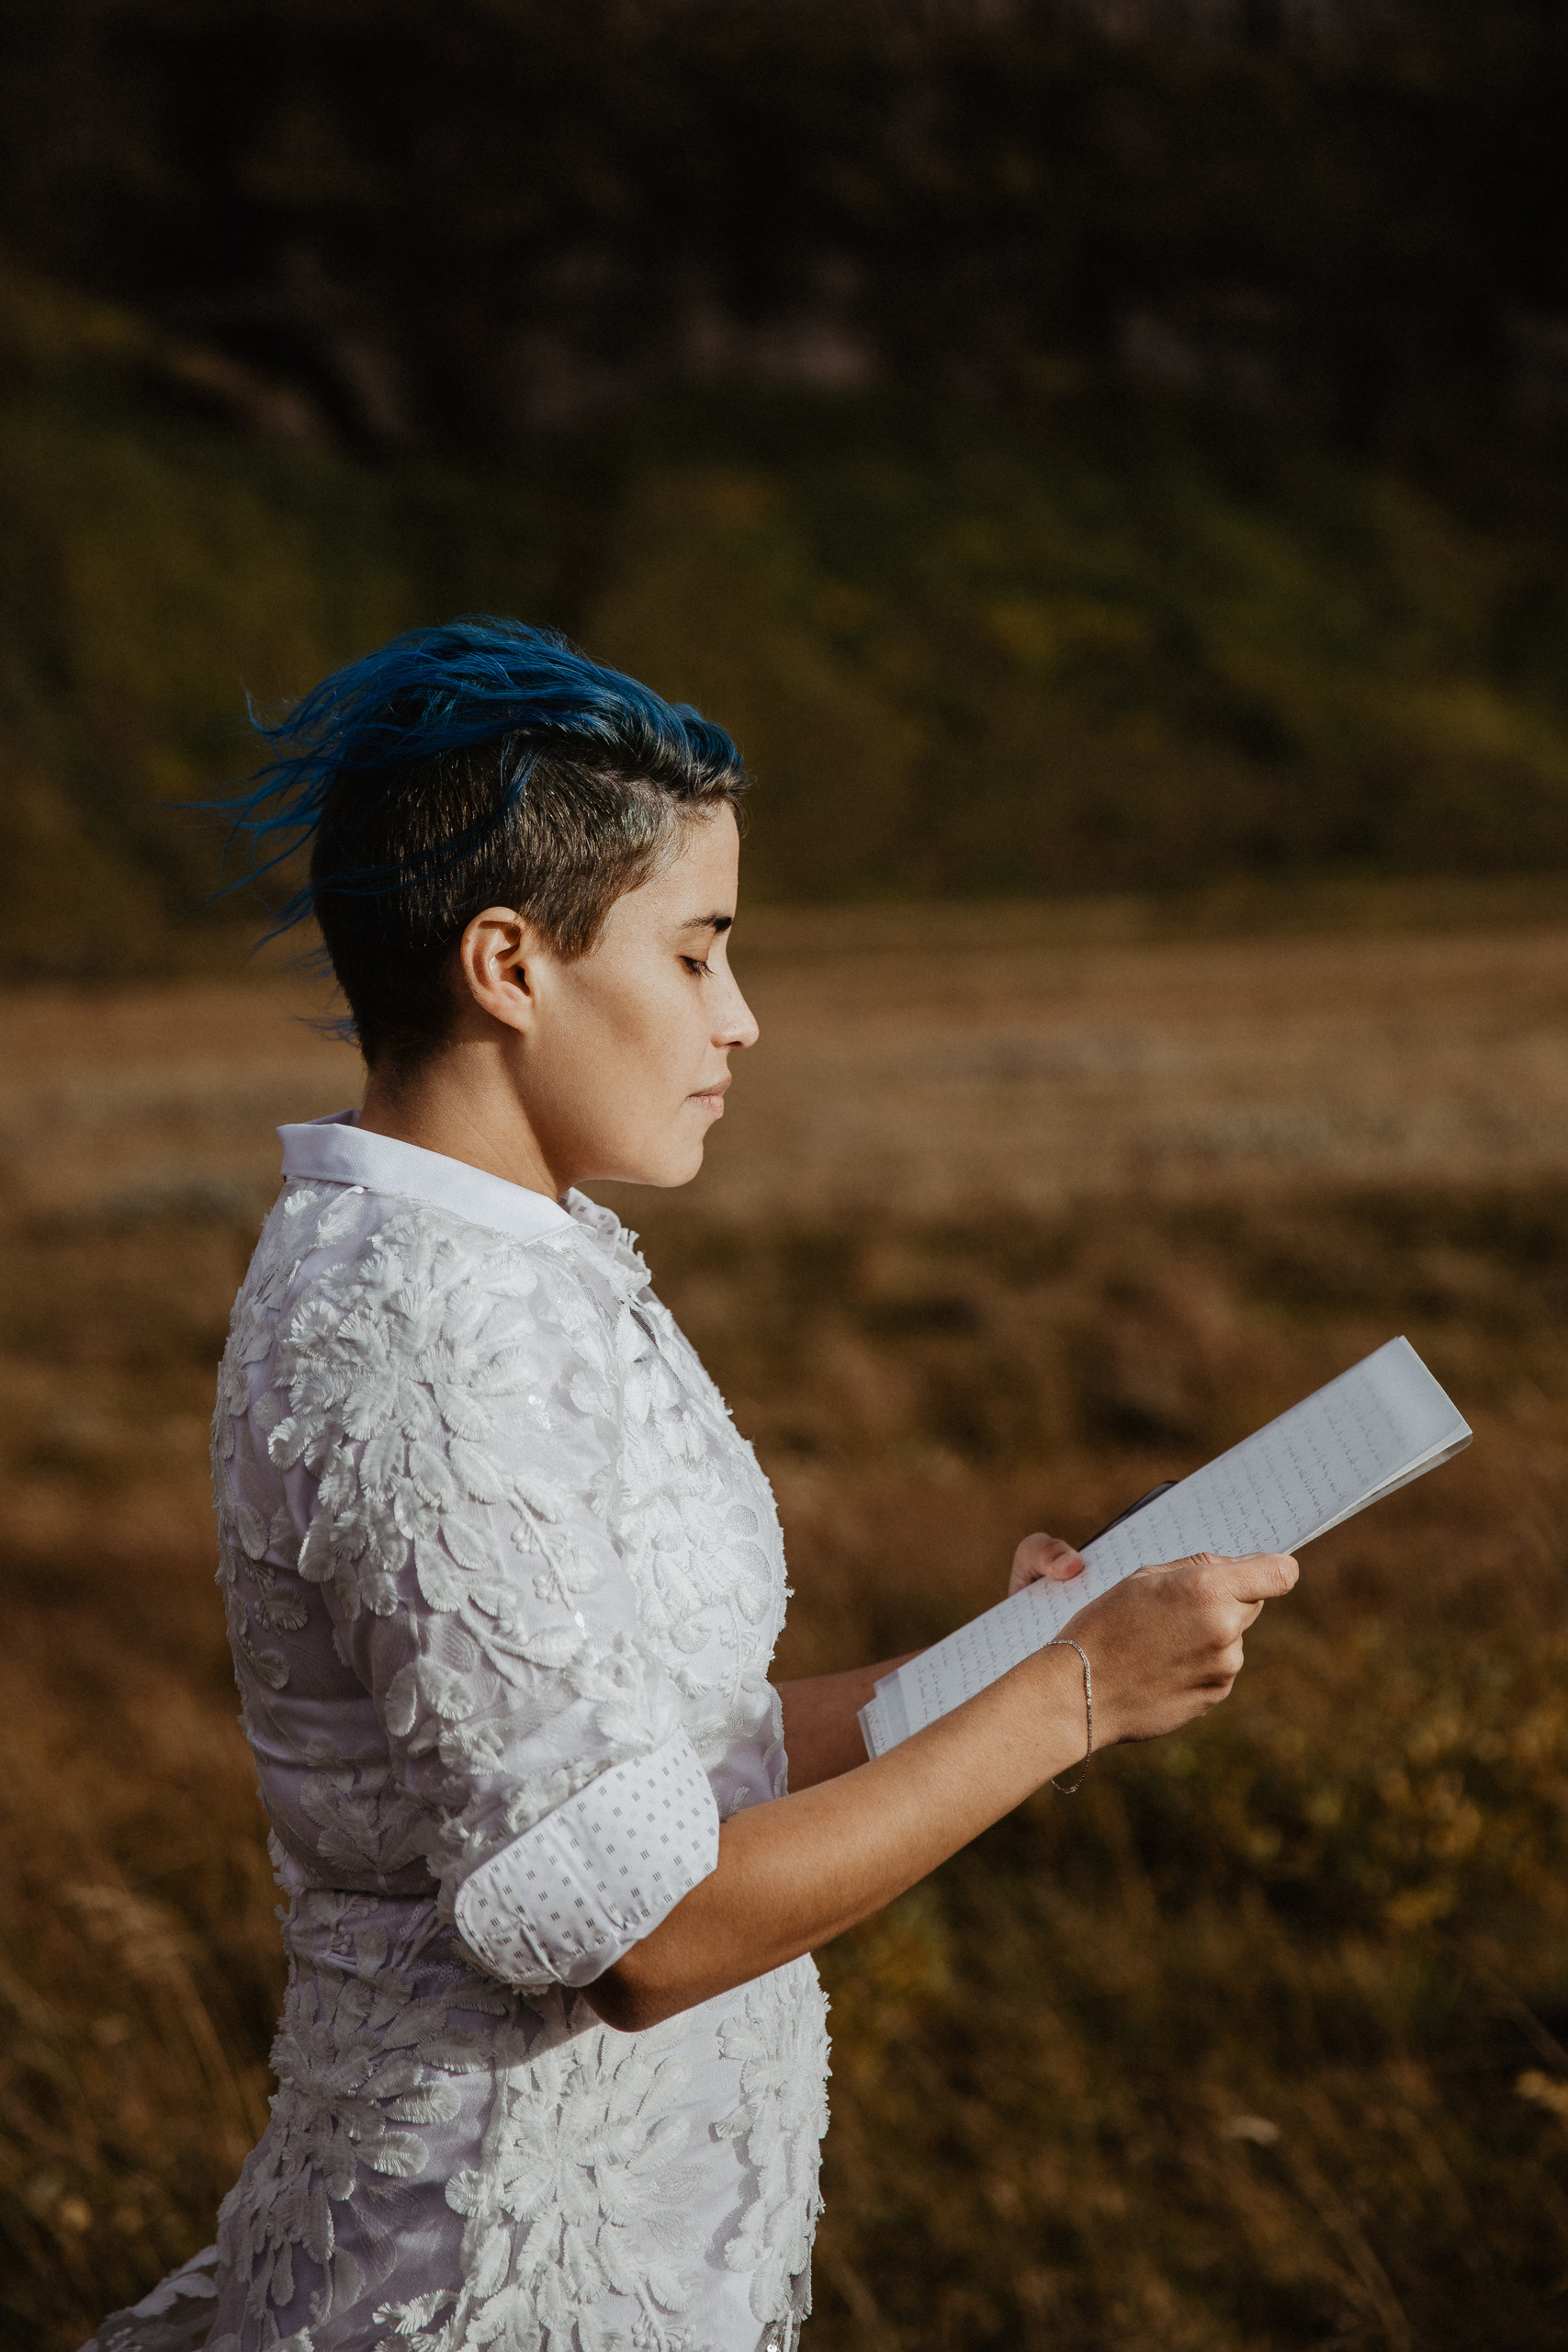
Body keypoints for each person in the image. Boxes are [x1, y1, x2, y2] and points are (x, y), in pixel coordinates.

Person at [83, 619, 1296, 2352]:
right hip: (488, 2288)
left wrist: (1012, 1654)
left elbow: (646, 1755)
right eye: (698, 951)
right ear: (510, 964)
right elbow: (630, 1935)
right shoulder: (429, 1334)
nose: (743, 1015)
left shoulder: (519, 1261)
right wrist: (1073, 1701)